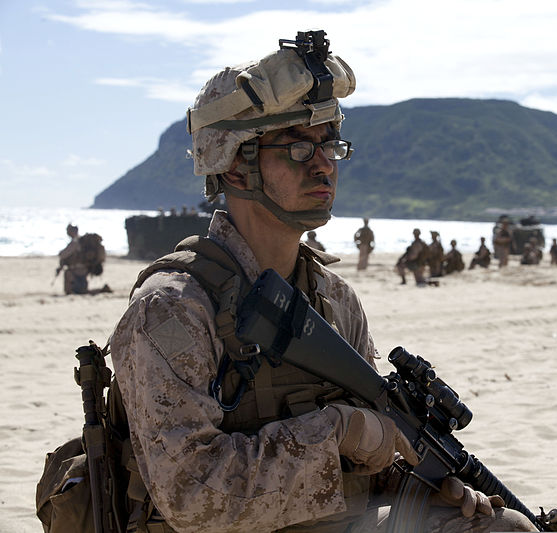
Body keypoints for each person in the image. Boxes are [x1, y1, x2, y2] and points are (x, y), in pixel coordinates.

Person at [110, 32, 535, 533]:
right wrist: (339, 431)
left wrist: (420, 480)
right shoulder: (173, 309)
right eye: (297, 146)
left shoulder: (335, 301)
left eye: (330, 143)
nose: (323, 162)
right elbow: (190, 495)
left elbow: (367, 461)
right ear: (237, 167)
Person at [57, 224, 110, 295]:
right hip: (84, 270)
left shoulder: (76, 242)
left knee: (78, 290)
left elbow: (63, 254)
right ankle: (102, 290)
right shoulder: (80, 241)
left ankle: (102, 290)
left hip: (77, 271)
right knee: (82, 290)